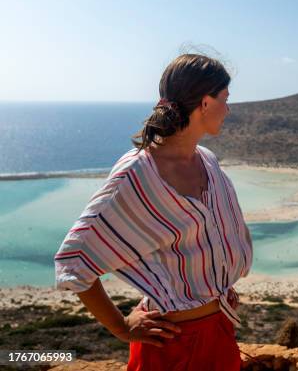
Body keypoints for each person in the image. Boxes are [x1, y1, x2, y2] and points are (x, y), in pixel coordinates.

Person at [54, 53, 253, 370]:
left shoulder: (208, 161)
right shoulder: (137, 175)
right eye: (225, 99)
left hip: (220, 332)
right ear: (204, 103)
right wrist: (121, 327)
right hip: (173, 347)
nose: (228, 110)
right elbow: (74, 261)